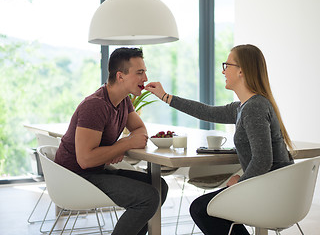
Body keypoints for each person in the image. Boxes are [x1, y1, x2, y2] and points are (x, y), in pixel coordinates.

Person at [145, 44, 294, 235]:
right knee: (209, 209)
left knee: (201, 209)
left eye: (227, 65)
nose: (223, 70)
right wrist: (165, 96)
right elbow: (205, 111)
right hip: (267, 186)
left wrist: (240, 182)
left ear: (241, 71)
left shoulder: (254, 108)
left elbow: (263, 160)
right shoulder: (243, 107)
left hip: (271, 191)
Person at [55, 47, 168, 235]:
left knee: (159, 186)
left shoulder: (123, 100)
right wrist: (123, 145)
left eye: (145, 72)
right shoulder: (95, 105)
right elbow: (85, 159)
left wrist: (117, 149)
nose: (145, 79)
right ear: (120, 76)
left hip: (95, 171)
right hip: (76, 177)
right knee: (148, 197)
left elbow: (140, 130)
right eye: (140, 73)